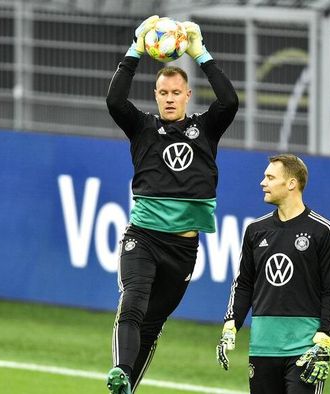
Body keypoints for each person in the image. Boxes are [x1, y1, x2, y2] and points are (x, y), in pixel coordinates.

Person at [105, 15, 239, 394]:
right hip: (143, 238)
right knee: (131, 304)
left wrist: (200, 53)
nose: (168, 98)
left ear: (186, 96)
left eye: (175, 93)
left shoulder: (206, 129)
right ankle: (121, 374)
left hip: (182, 247)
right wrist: (135, 48)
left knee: (152, 324)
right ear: (156, 96)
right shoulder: (143, 128)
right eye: (162, 93)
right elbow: (115, 100)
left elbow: (229, 100)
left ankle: (128, 384)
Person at [216, 154, 330, 394]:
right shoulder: (256, 230)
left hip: (305, 349)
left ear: (292, 183)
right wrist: (230, 327)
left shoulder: (323, 230)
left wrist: (325, 339)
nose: (262, 183)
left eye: (270, 177)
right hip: (262, 347)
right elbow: (243, 284)